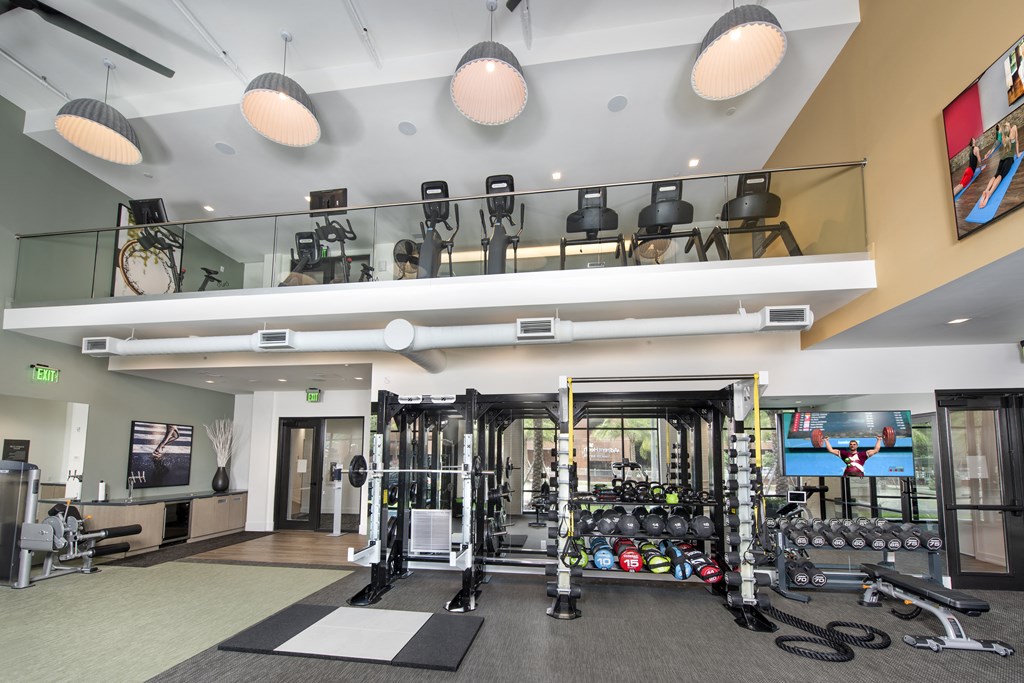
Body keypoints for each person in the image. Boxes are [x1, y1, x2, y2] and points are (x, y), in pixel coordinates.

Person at [979, 121, 1021, 209]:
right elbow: (1016, 142)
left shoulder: (1003, 137)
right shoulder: (1014, 129)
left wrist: (988, 152)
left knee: (995, 175)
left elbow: (999, 136)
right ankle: (989, 193)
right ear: (1009, 127)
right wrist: (1017, 154)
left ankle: (986, 189)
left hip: (1002, 159)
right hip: (1009, 159)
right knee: (1000, 176)